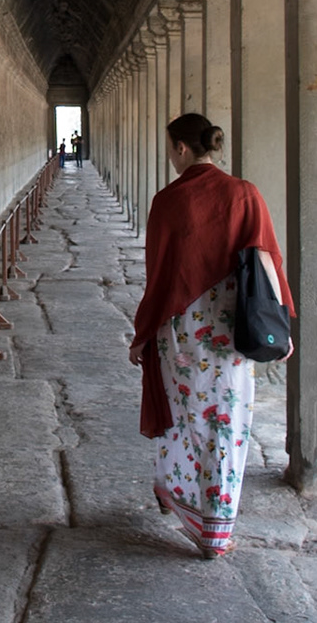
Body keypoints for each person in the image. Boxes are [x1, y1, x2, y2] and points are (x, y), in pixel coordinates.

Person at [126, 112, 294, 558]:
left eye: (169, 147)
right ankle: (215, 528)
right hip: (230, 333)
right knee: (226, 421)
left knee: (184, 417)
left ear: (181, 148)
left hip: (180, 332)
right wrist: (281, 324)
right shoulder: (245, 194)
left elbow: (159, 277)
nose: (169, 155)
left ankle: (177, 490)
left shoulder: (168, 201)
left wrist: (143, 333)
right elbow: (268, 262)